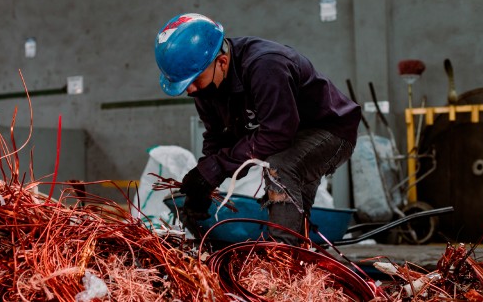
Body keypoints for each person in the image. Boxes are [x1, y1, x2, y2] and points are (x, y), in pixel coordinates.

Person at [154, 13, 362, 245]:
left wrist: (218, 167)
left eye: (194, 80)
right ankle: (298, 258)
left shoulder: (266, 65)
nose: (190, 90)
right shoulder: (206, 87)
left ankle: (281, 259)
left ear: (221, 62)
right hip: (290, 136)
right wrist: (204, 180)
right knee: (293, 203)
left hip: (331, 130)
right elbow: (217, 137)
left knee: (281, 165)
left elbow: (278, 133)